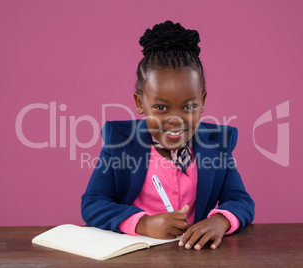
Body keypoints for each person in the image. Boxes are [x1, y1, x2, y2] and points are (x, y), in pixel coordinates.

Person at [81, 20, 254, 250]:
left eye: (189, 107)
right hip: (136, 255)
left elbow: (241, 200)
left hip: (193, 255)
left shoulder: (216, 145)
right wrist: (144, 223)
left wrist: (219, 222)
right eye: (161, 108)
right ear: (140, 103)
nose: (175, 119)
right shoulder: (121, 143)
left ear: (202, 102)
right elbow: (93, 203)